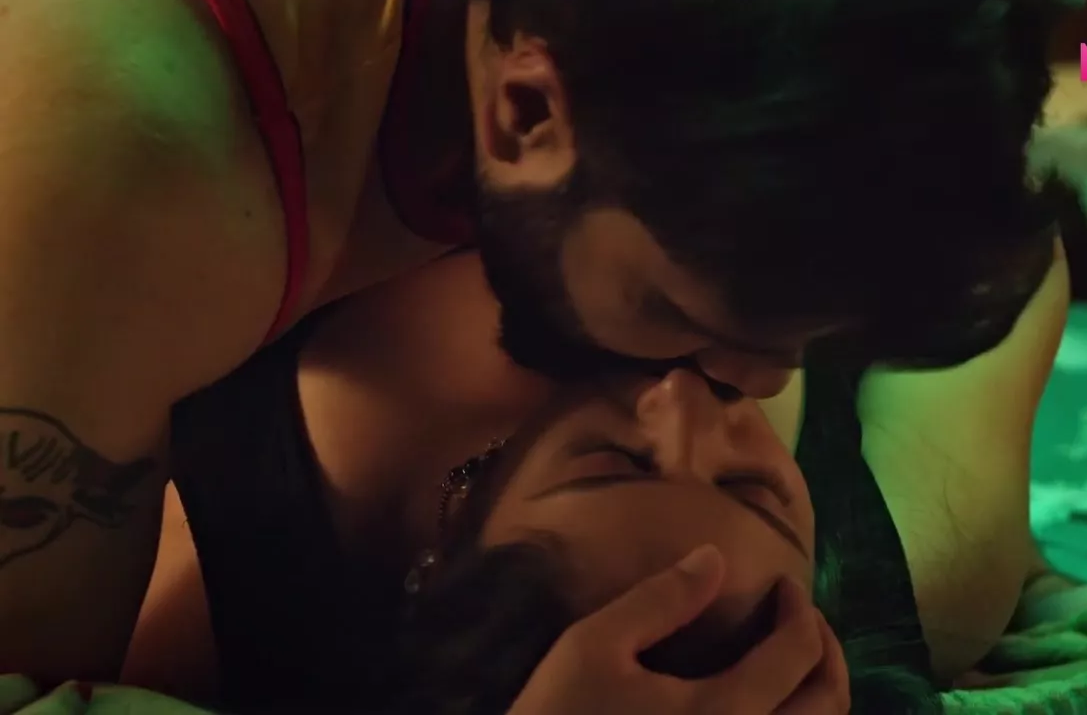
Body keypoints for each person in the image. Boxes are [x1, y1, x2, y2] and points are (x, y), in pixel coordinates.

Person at [1, 0, 1072, 688]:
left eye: (821, 332)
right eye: (686, 316)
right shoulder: (124, 188)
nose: (727, 394)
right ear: (520, 113)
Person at [115, 251, 932, 712]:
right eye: (751, 485)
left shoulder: (199, 575)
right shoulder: (875, 576)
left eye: (613, 460)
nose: (685, 398)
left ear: (452, 543)